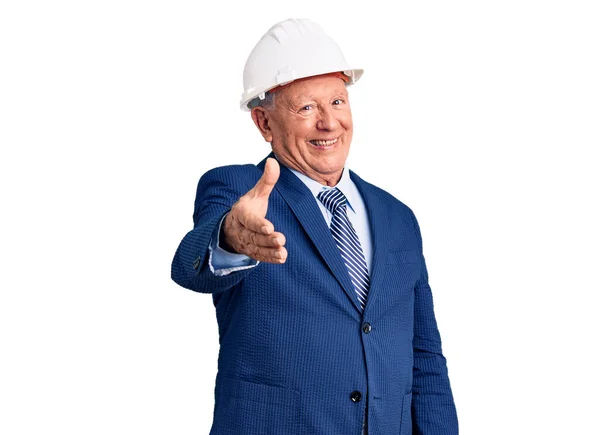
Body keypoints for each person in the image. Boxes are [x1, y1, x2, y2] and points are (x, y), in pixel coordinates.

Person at [171, 18, 458, 435]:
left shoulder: (398, 217)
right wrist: (231, 236)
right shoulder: (240, 189)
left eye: (338, 102)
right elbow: (189, 264)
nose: (329, 123)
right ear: (264, 123)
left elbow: (425, 355)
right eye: (306, 108)